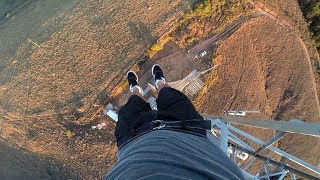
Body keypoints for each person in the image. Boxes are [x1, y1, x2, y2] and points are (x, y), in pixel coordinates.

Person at [105, 64, 244, 180]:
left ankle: (135, 89)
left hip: (133, 141)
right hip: (190, 129)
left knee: (132, 105)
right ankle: (160, 82)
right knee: (169, 95)